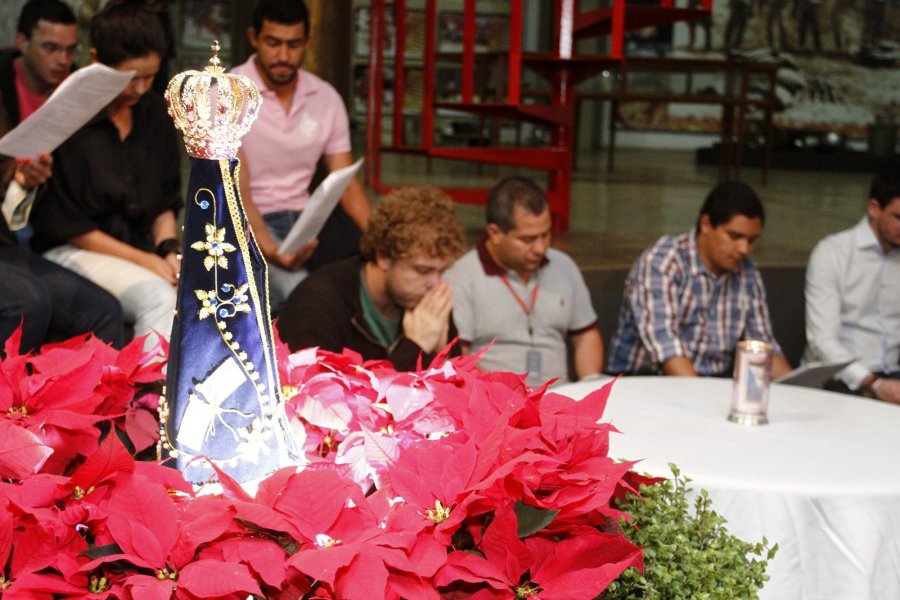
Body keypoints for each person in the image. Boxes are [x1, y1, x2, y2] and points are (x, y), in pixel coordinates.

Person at [30, 2, 181, 343]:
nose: (140, 89)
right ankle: (146, 379)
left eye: (150, 77)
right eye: (130, 78)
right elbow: (69, 226)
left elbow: (164, 202)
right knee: (158, 297)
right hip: (72, 250)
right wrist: (145, 260)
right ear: (96, 60)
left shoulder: (155, 113)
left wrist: (169, 252)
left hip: (141, 248)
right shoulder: (67, 116)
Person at [231, 0, 372, 309]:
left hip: (308, 221)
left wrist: (383, 240)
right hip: (249, 223)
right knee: (303, 297)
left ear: (307, 42)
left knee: (367, 284)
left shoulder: (325, 98)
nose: (283, 56)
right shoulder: (229, 93)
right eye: (273, 43)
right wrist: (269, 247)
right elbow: (236, 188)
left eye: (293, 45)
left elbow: (347, 183)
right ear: (254, 38)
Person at [1, 0, 123, 352]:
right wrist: (14, 175)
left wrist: (25, 180)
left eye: (70, 50)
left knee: (103, 310)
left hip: (44, 222)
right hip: (13, 225)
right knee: (28, 301)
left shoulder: (77, 89)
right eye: (51, 48)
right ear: (22, 42)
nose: (62, 60)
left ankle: (102, 389)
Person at [607, 180, 792, 378]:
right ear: (706, 224)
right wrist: (703, 396)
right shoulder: (663, 262)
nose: (744, 249)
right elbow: (669, 349)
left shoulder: (748, 273)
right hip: (645, 380)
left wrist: (795, 389)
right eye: (734, 236)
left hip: (710, 385)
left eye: (751, 240)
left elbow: (762, 348)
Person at [276, 185, 464, 371]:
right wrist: (415, 347)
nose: (435, 284)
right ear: (383, 257)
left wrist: (442, 356)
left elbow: (460, 380)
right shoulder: (318, 306)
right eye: (422, 270)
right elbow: (321, 388)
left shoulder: (424, 299)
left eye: (442, 271)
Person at [444, 177, 603, 387]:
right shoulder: (461, 277)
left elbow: (586, 336)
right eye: (528, 239)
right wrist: (510, 395)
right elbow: (459, 359)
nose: (540, 248)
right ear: (495, 233)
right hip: (497, 398)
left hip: (561, 395)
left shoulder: (563, 265)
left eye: (545, 235)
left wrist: (590, 383)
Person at [804, 159, 900, 404]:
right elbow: (822, 341)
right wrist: (873, 383)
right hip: (840, 378)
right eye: (898, 217)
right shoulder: (833, 253)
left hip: (893, 375)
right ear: (874, 208)